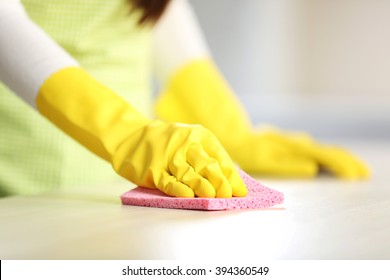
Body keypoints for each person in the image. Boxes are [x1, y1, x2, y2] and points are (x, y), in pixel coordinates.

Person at [0, 0, 369, 198]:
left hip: (114, 189)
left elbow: (155, 13)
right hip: (16, 178)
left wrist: (231, 132)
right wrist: (128, 134)